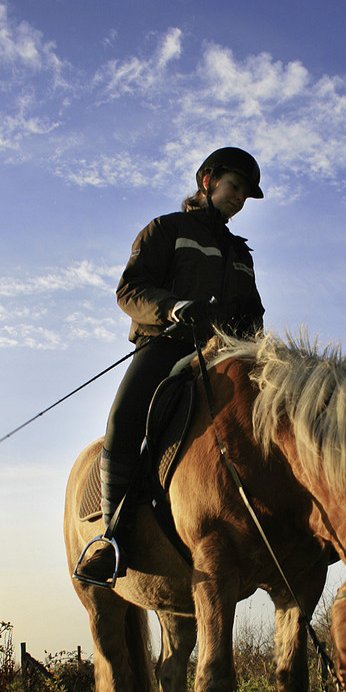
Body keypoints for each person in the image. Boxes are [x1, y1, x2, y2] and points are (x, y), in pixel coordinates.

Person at [75, 147, 265, 584]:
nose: (239, 199)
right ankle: (111, 538)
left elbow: (254, 315)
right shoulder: (167, 229)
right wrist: (174, 307)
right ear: (208, 180)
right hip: (166, 346)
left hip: (221, 355)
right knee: (124, 420)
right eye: (234, 186)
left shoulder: (241, 254)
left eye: (245, 194)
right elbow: (130, 290)